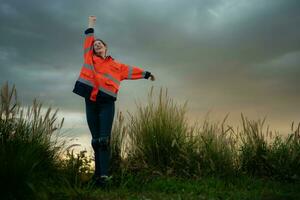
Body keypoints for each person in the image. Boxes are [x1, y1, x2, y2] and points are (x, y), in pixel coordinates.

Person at [72, 16, 155, 187]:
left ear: (105, 47)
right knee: (95, 140)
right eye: (95, 44)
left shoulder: (117, 66)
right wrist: (91, 24)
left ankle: (105, 177)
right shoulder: (90, 58)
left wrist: (147, 74)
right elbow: (88, 40)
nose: (96, 45)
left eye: (99, 44)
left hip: (107, 103)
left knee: (104, 140)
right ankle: (97, 177)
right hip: (91, 100)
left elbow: (132, 71)